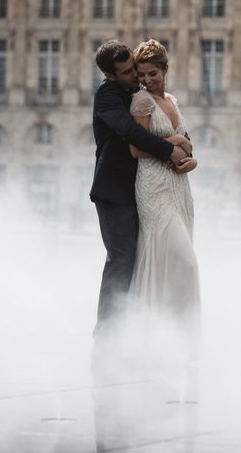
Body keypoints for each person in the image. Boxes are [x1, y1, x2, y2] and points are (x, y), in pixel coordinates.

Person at [90, 40, 193, 338]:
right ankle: (107, 332)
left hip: (146, 187)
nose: (135, 76)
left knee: (145, 260)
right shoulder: (108, 95)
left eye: (134, 69)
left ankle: (142, 327)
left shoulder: (138, 90)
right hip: (115, 191)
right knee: (122, 259)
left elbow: (173, 129)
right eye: (126, 72)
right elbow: (131, 133)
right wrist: (170, 150)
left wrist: (187, 151)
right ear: (110, 75)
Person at [126, 39, 200, 363]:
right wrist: (173, 141)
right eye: (142, 74)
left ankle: (178, 338)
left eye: (152, 74)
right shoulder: (141, 102)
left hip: (179, 186)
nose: (146, 80)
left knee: (179, 265)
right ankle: (150, 335)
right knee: (182, 260)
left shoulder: (171, 100)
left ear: (166, 70)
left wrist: (192, 159)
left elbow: (189, 146)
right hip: (154, 187)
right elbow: (136, 149)